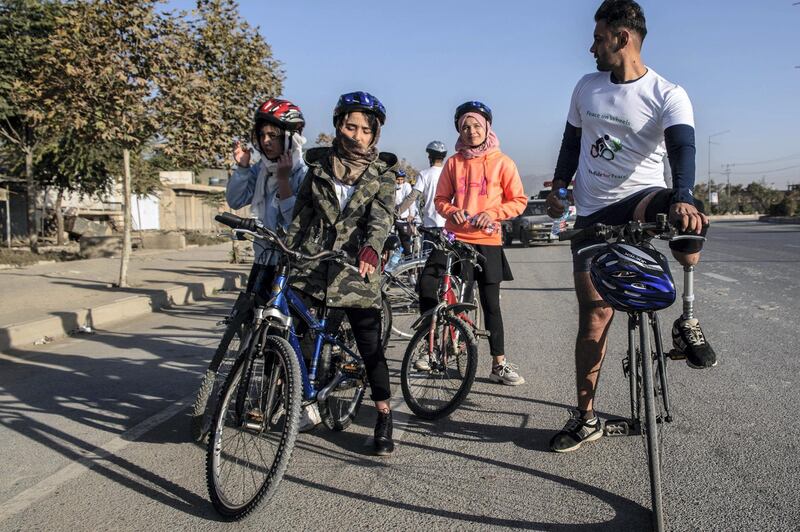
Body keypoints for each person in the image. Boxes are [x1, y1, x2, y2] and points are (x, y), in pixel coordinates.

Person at [547, 0, 716, 454]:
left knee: (691, 213)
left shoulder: (668, 93)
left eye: (598, 38)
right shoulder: (586, 87)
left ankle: (689, 319)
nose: (591, 47)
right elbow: (570, 141)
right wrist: (560, 185)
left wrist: (680, 197)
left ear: (622, 39)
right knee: (595, 318)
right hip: (592, 213)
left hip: (639, 200)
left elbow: (682, 150)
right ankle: (586, 417)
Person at [285, 91, 398, 456]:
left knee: (369, 346)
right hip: (314, 265)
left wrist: (372, 247)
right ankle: (293, 399)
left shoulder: (382, 174)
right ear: (338, 125)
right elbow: (302, 215)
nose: (357, 135)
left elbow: (382, 217)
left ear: (374, 134)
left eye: (366, 130)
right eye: (351, 126)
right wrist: (287, 251)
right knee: (292, 331)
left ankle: (383, 416)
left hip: (356, 270)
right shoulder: (318, 166)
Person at [225, 98, 320, 430]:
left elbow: (293, 222)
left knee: (292, 330)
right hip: (264, 260)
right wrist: (241, 167)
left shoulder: (303, 171)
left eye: (273, 135)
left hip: (294, 265)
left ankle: (300, 398)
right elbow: (237, 200)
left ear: (290, 137)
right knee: (255, 327)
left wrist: (283, 182)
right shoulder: (258, 168)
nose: (267, 141)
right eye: (262, 134)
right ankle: (256, 394)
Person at [417, 101, 528, 383]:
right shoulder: (454, 163)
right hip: (455, 239)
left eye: (477, 125)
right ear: (458, 130)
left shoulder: (503, 162)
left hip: (488, 241)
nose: (471, 131)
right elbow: (441, 200)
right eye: (465, 126)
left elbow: (518, 201)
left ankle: (498, 365)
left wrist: (491, 213)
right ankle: (430, 348)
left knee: (491, 304)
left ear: (487, 127)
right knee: (428, 282)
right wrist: (454, 211)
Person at [398, 141, 448, 252]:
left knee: (428, 260)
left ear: (430, 157)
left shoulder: (424, 174)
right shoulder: (449, 173)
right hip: (448, 224)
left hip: (430, 224)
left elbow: (412, 197)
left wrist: (397, 211)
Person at [393, 169, 418, 256]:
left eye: (401, 179)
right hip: (393, 218)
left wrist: (411, 214)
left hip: (404, 218)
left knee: (406, 244)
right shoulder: (393, 186)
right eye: (398, 179)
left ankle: (408, 260)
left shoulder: (407, 186)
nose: (400, 181)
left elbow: (410, 201)